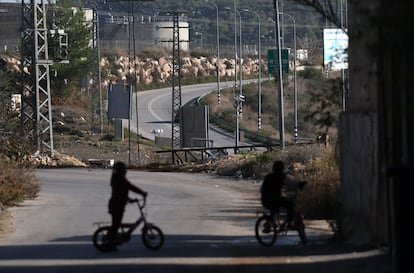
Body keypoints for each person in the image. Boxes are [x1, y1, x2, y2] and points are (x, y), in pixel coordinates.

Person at [106, 161, 147, 251]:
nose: (125, 171)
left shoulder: (116, 179)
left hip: (117, 204)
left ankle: (113, 240)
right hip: (116, 205)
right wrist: (142, 193)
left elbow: (122, 193)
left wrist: (130, 199)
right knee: (116, 224)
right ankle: (109, 242)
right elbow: (130, 187)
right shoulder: (120, 179)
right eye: (124, 170)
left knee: (116, 223)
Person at [260, 160, 306, 226]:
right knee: (290, 205)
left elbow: (261, 189)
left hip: (265, 200)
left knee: (275, 209)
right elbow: (292, 183)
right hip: (275, 200)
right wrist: (300, 184)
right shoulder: (282, 177)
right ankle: (289, 223)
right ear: (282, 168)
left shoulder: (268, 176)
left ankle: (269, 222)